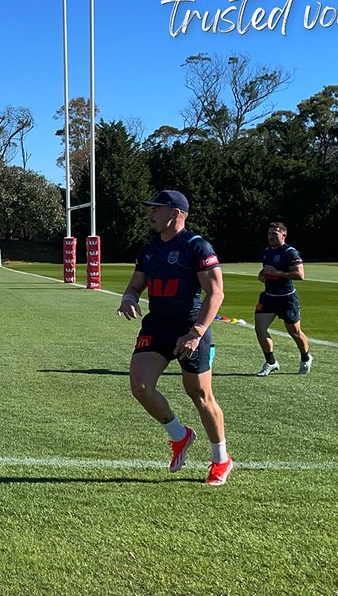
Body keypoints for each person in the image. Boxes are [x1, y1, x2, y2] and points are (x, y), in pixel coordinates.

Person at [116, 190, 233, 486]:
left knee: (200, 395)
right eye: (151, 209)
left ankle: (221, 459)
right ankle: (180, 436)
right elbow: (135, 286)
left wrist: (196, 332)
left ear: (176, 213)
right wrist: (128, 299)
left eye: (157, 209)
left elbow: (216, 293)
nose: (151, 214)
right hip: (157, 325)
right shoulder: (149, 249)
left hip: (190, 326)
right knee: (141, 387)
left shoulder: (197, 246)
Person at [254, 222, 313, 376]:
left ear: (283, 235)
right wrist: (262, 275)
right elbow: (266, 270)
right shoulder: (267, 251)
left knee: (294, 332)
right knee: (260, 328)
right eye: (269, 234)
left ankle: (305, 358)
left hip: (287, 298)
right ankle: (271, 362)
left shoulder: (290, 252)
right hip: (269, 297)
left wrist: (277, 273)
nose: (271, 237)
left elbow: (300, 275)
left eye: (274, 234)